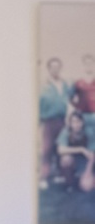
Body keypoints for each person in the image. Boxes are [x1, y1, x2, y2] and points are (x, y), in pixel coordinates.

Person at [38, 57, 71, 188]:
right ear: (49, 69)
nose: (55, 69)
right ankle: (43, 178)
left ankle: (58, 175)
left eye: (58, 67)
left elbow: (68, 100)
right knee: (47, 150)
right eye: (53, 67)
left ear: (60, 68)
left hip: (62, 121)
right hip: (48, 121)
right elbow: (38, 104)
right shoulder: (43, 85)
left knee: (59, 149)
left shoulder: (64, 84)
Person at [56, 110, 95, 192]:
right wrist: (81, 149)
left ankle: (84, 178)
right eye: (74, 122)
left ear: (82, 122)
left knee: (87, 187)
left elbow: (92, 155)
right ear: (70, 123)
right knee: (66, 159)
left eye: (79, 121)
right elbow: (60, 150)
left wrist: (87, 173)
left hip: (85, 162)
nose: (77, 124)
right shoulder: (66, 132)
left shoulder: (88, 132)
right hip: (73, 161)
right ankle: (70, 183)